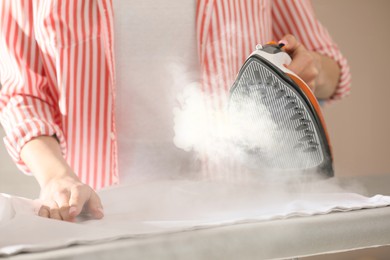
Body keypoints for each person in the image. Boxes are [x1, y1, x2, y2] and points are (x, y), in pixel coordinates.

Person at [0, 0, 351, 222]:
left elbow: (330, 68)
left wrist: (312, 69)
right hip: (105, 216)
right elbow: (23, 93)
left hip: (246, 212)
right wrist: (56, 177)